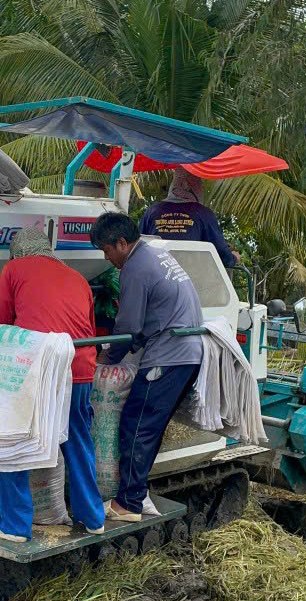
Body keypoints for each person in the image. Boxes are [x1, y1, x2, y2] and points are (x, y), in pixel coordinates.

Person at [0, 225, 107, 542]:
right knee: (77, 440)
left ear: (18, 252)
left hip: (39, 369)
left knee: (9, 439)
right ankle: (93, 518)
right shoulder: (77, 277)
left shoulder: (14, 268)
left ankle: (13, 525)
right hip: (79, 368)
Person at [90, 212, 204, 523]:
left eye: (106, 250)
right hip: (186, 353)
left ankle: (127, 504)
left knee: (136, 426)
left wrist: (107, 358)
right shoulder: (157, 254)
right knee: (149, 428)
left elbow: (128, 326)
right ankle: (135, 494)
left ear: (122, 243)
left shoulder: (136, 268)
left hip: (168, 356)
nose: (107, 257)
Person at [139, 169, 240, 268]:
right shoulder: (204, 214)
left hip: (156, 274)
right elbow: (223, 256)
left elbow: (139, 246)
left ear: (173, 185)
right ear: (195, 188)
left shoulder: (151, 212)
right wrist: (233, 258)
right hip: (192, 279)